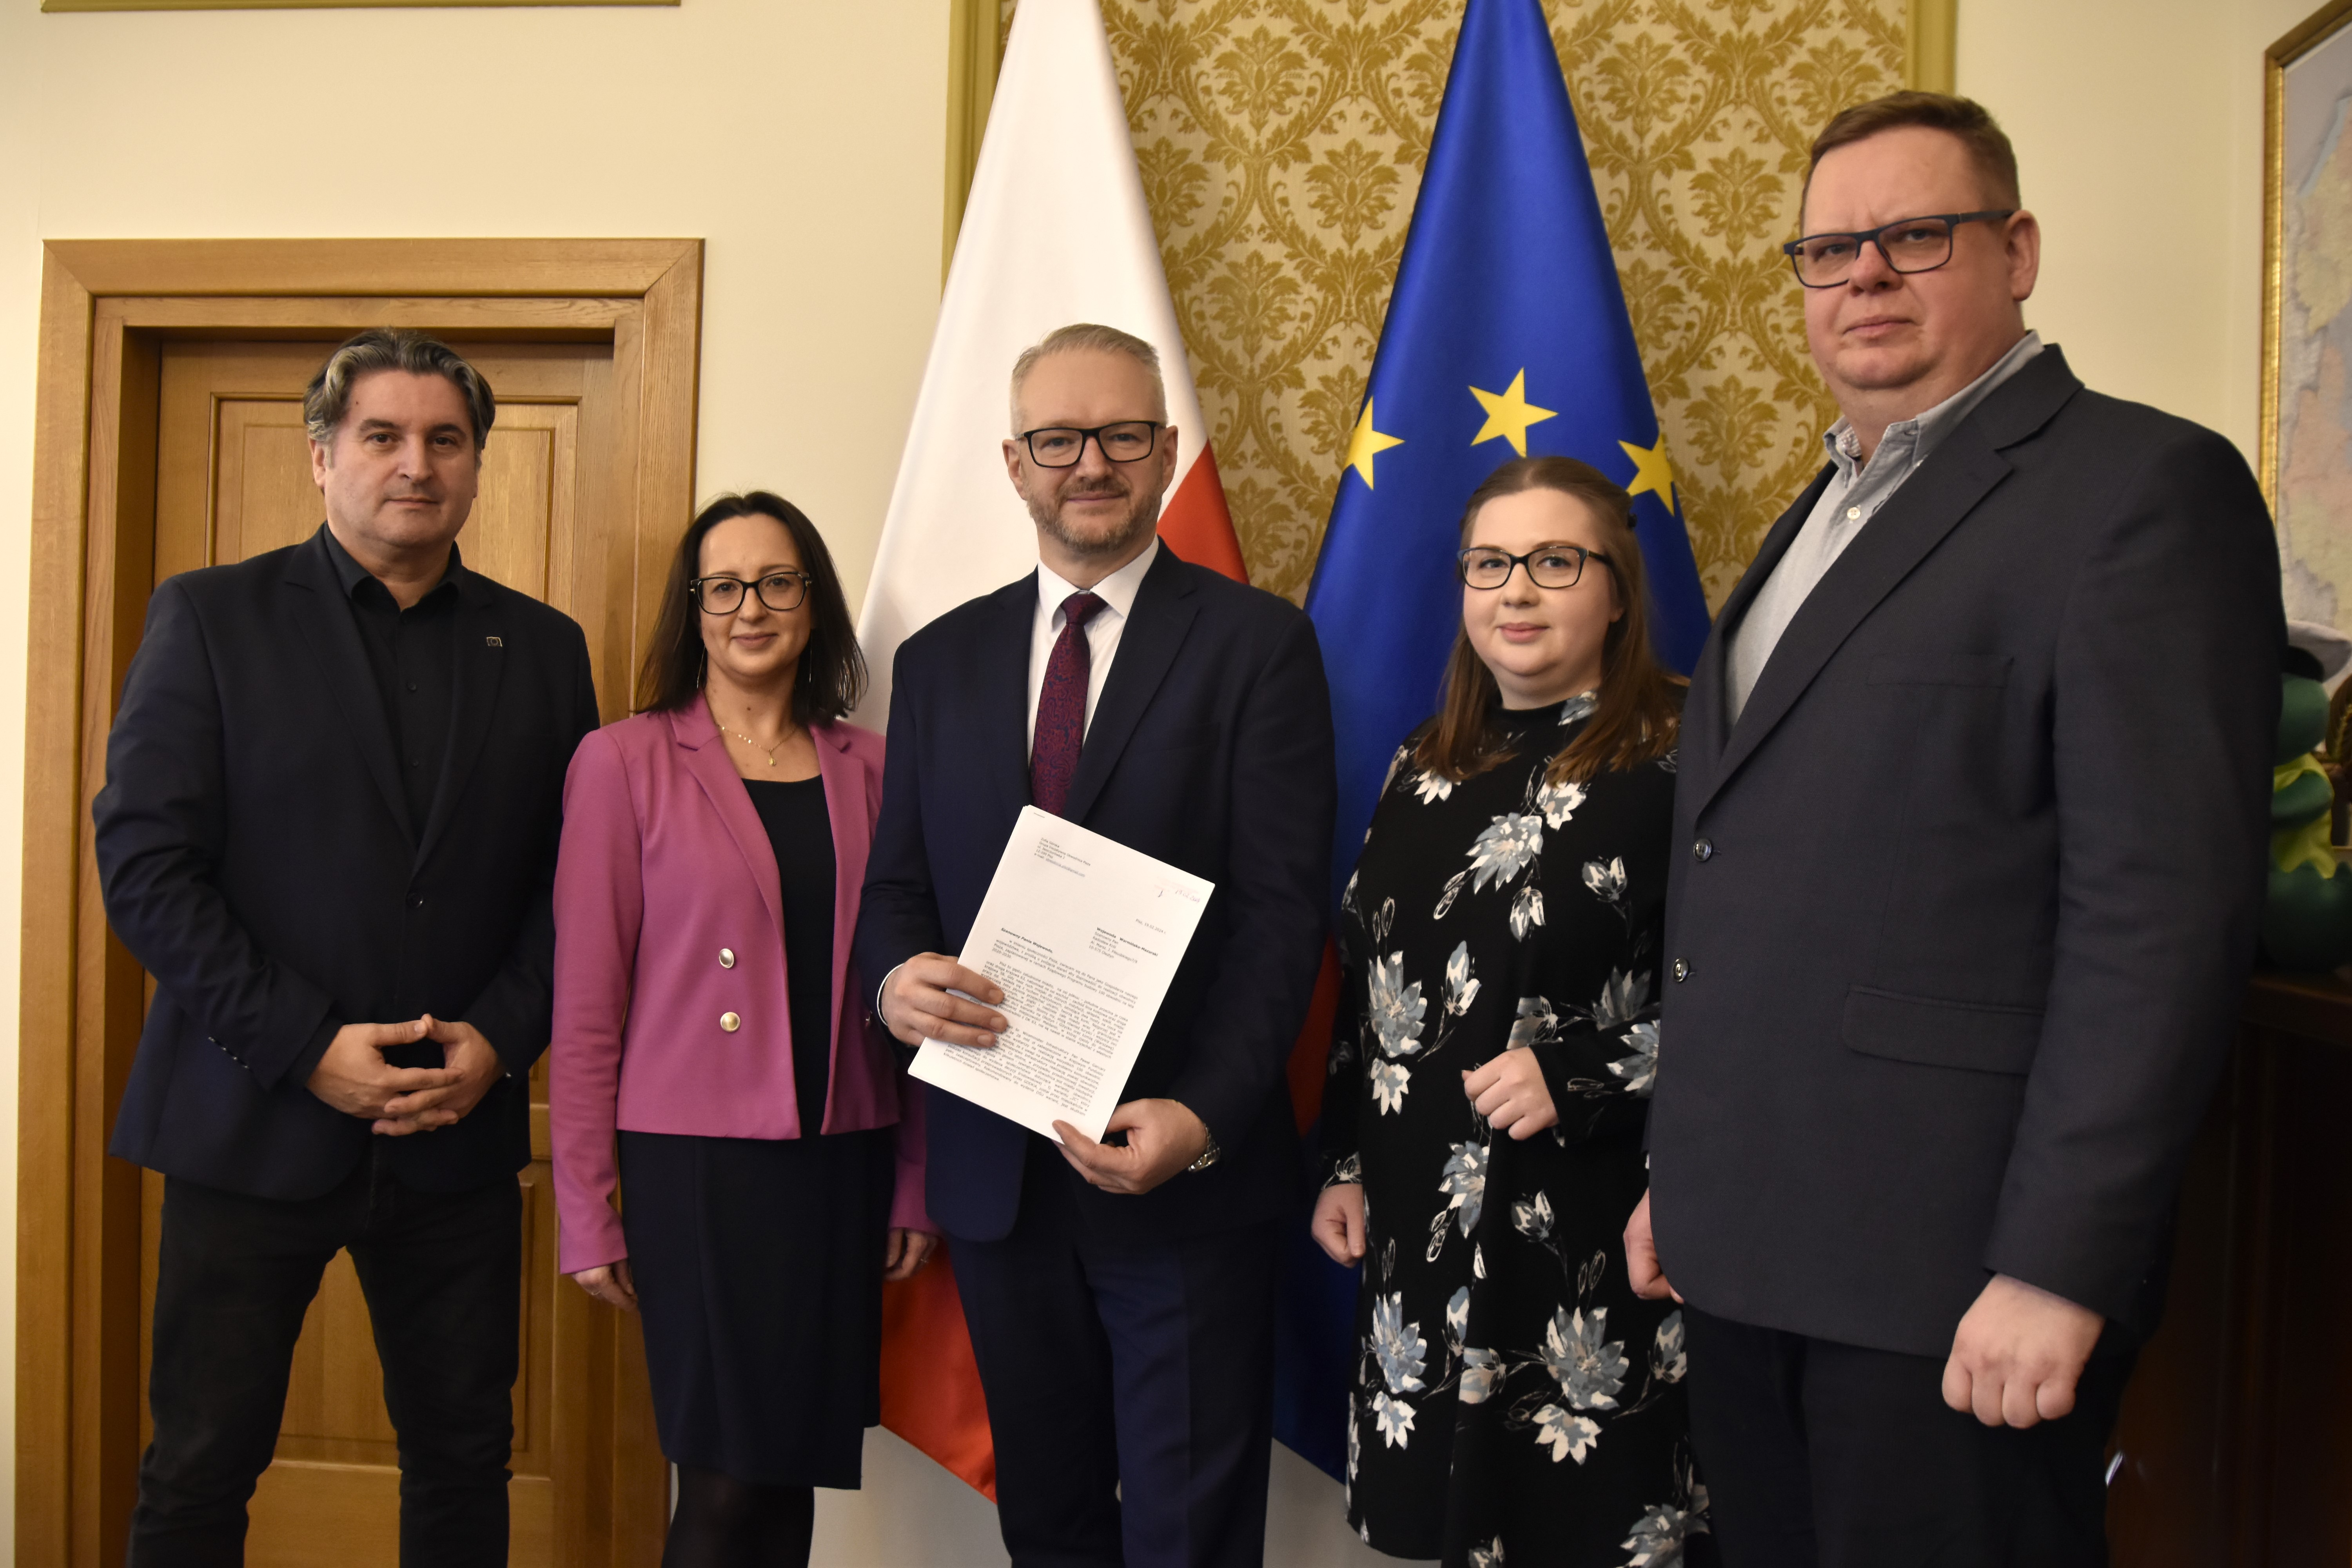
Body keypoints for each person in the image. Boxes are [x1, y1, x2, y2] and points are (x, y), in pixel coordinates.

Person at [1629, 91, 2285, 1564]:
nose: (1864, 275)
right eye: (1829, 250)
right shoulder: (1820, 511)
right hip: (1751, 1250)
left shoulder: (2140, 492)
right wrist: (1687, 1172)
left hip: (1954, 1281)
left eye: (1916, 236)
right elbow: (1750, 872)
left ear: (2019, 251)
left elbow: (2158, 922)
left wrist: (2061, 1266)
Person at [95, 328, 601, 1565]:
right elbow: (147, 867)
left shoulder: (544, 648)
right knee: (199, 1469)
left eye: (445, 440)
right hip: (249, 1121)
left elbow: (578, 884)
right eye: (383, 436)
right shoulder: (211, 618)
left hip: (455, 1134)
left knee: (464, 1464)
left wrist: (502, 1040)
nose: (416, 465)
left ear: (477, 465)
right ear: (322, 458)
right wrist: (305, 1045)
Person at [855, 322, 1335, 1568]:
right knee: (1049, 1525)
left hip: (1182, 1176)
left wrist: (1205, 1114)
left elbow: (1283, 916)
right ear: (1014, 462)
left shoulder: (1257, 646)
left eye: (1122, 435)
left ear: (1166, 453)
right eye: (1060, 439)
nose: (1092, 464)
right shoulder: (940, 660)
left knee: (1189, 1537)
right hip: (1001, 1179)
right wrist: (895, 983)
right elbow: (897, 890)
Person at [1309, 456, 1710, 1568]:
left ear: (1618, 589)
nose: (1517, 591)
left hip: (1596, 1237)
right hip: (1419, 1237)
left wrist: (1582, 1073)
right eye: (1490, 564)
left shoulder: (1691, 750)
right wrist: (1343, 1159)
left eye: (1555, 562)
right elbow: (1367, 985)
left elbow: (1758, 993)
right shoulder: (1424, 760)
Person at [549, 492, 936, 1568]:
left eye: (776, 582)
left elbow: (916, 997)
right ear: (694, 609)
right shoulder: (622, 762)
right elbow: (586, 1007)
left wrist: (915, 1177)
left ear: (813, 604)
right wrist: (584, 1204)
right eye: (723, 587)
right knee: (722, 1484)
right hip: (696, 1174)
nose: (750, 608)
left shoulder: (877, 766)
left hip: (842, 1161)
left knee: (787, 1474)